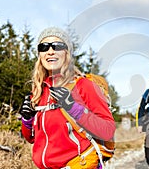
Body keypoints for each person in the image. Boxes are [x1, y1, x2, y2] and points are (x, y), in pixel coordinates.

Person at [20, 27, 116, 169]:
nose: (50, 51)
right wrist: (27, 120)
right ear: (39, 54)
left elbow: (107, 130)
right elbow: (32, 138)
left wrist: (73, 108)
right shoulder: (39, 90)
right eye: (44, 47)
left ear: (67, 53)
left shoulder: (84, 85)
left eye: (57, 46)